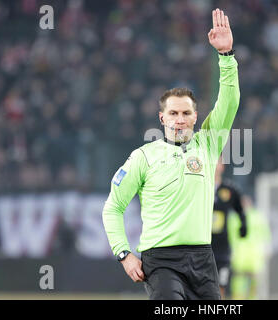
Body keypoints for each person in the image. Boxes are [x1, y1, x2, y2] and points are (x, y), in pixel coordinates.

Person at [102, 8, 240, 300]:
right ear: (162, 119)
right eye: (173, 113)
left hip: (204, 260)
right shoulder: (143, 156)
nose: (180, 119)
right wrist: (124, 254)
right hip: (160, 261)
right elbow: (113, 207)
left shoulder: (208, 144)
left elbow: (229, 102)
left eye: (186, 113)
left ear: (195, 116)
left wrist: (226, 56)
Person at [211, 158, 247, 299]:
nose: (214, 165)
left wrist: (244, 225)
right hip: (201, 246)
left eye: (217, 162)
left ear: (222, 166)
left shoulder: (229, 190)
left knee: (220, 285)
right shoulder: (198, 187)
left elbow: (240, 209)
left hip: (222, 249)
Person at [228, 196, 271, 299]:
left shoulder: (258, 216)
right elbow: (230, 236)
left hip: (255, 255)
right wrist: (230, 251)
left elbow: (265, 234)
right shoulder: (233, 218)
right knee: (239, 280)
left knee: (254, 279)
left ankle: (253, 298)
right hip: (240, 255)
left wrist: (267, 247)